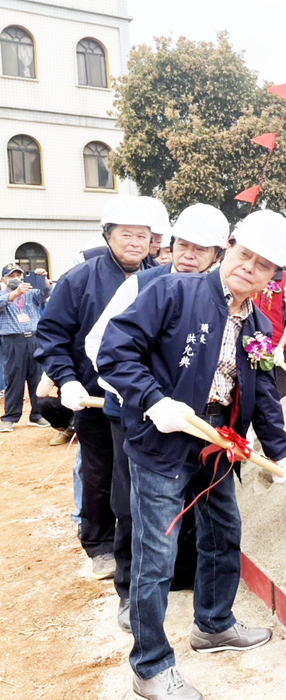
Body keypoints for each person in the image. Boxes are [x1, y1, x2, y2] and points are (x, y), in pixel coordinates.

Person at [96, 209, 286, 700]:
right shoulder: (174, 291)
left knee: (223, 532)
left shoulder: (257, 321)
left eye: (262, 265)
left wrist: (281, 455)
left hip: (221, 442)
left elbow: (263, 394)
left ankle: (213, 626)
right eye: (244, 255)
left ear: (273, 275)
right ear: (228, 248)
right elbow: (115, 351)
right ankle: (150, 665)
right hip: (164, 438)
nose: (248, 268)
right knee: (158, 554)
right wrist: (154, 401)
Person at [86, 203, 229, 633]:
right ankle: (131, 594)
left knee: (192, 510)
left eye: (201, 250)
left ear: (217, 256)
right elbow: (100, 346)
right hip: (137, 415)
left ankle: (185, 587)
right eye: (182, 245)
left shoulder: (219, 296)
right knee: (134, 508)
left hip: (195, 423)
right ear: (168, 244)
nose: (188, 255)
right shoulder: (143, 285)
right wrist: (146, 400)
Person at [35, 194, 154, 580]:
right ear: (107, 235)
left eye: (143, 235)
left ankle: (141, 544)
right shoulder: (79, 280)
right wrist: (66, 379)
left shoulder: (158, 279)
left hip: (143, 398)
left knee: (139, 474)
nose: (135, 243)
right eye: (126, 235)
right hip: (93, 396)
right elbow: (51, 335)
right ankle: (100, 544)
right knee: (100, 471)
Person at [0, 263, 51, 431]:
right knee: (14, 379)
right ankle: (10, 417)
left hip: (34, 339)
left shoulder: (30, 294)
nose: (16, 279)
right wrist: (15, 293)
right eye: (12, 276)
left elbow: (46, 293)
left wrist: (43, 280)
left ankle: (37, 414)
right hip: (13, 341)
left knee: (36, 377)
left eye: (19, 275)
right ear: (4, 279)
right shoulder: (3, 295)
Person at [254, 266, 286, 398]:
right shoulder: (256, 278)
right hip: (259, 351)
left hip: (283, 352)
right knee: (262, 397)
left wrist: (280, 347)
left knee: (284, 398)